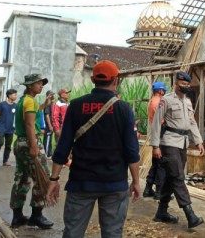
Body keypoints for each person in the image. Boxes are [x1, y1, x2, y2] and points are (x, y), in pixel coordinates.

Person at [47, 60, 140, 238]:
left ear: (92, 79)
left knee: (73, 233)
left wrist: (54, 179)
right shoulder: (123, 108)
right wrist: (135, 181)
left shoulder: (75, 105)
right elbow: (131, 151)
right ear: (116, 80)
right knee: (112, 233)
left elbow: (63, 146)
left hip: (81, 182)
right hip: (114, 183)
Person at [150, 71, 204, 228]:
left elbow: (192, 122)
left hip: (183, 143)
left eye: (188, 85)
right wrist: (155, 146)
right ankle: (190, 214)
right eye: (183, 84)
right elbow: (156, 124)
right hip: (169, 143)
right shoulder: (165, 100)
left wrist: (198, 141)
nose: (186, 87)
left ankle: (161, 212)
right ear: (175, 84)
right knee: (178, 176)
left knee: (170, 178)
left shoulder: (188, 102)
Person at [10, 74, 54, 229]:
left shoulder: (25, 101)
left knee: (21, 178)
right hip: (29, 143)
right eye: (38, 84)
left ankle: (17, 217)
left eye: (42, 83)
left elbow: (32, 115)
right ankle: (36, 216)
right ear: (29, 86)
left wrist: (45, 104)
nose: (41, 86)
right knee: (43, 179)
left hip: (20, 143)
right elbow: (29, 125)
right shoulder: (29, 101)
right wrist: (34, 146)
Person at [143, 81, 167, 200]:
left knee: (156, 162)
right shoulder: (159, 102)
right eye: (164, 91)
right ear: (161, 91)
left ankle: (148, 189)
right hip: (161, 131)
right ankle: (159, 192)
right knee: (161, 163)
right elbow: (163, 119)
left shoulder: (152, 101)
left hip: (155, 131)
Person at [0, 89, 17, 166]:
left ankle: (5, 161)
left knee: (8, 145)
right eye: (14, 94)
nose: (16, 96)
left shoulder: (16, 105)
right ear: (9, 95)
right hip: (2, 127)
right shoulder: (2, 104)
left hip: (10, 129)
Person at [43, 90, 55, 159]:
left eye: (53, 94)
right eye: (51, 94)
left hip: (52, 124)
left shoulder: (52, 103)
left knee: (49, 139)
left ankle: (49, 153)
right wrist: (50, 126)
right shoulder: (47, 104)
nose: (53, 96)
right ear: (48, 96)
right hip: (48, 125)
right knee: (47, 139)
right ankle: (47, 154)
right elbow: (47, 115)